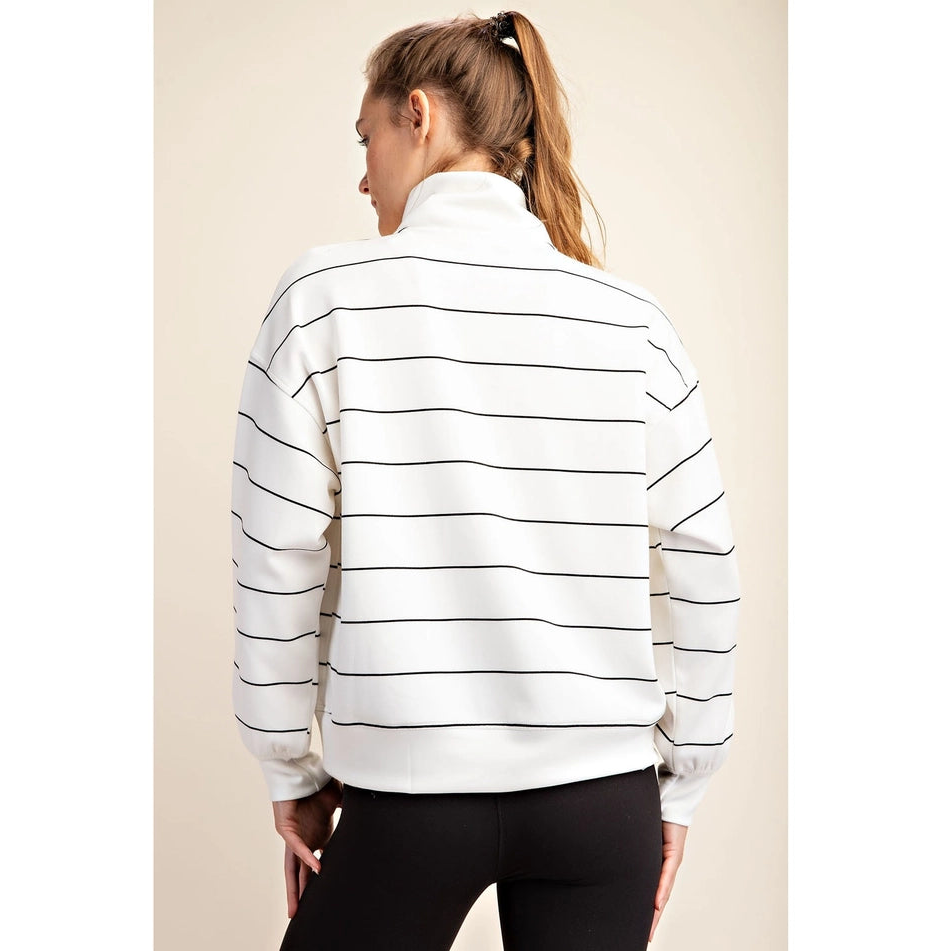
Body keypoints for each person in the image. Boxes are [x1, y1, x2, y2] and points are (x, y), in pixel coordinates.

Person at [230, 10, 741, 950]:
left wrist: (287, 768)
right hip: (603, 805)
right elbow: (702, 556)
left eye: (366, 137)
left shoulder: (323, 301)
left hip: (407, 798)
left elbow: (276, 554)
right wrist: (683, 782)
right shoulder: (632, 321)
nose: (363, 175)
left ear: (418, 115)